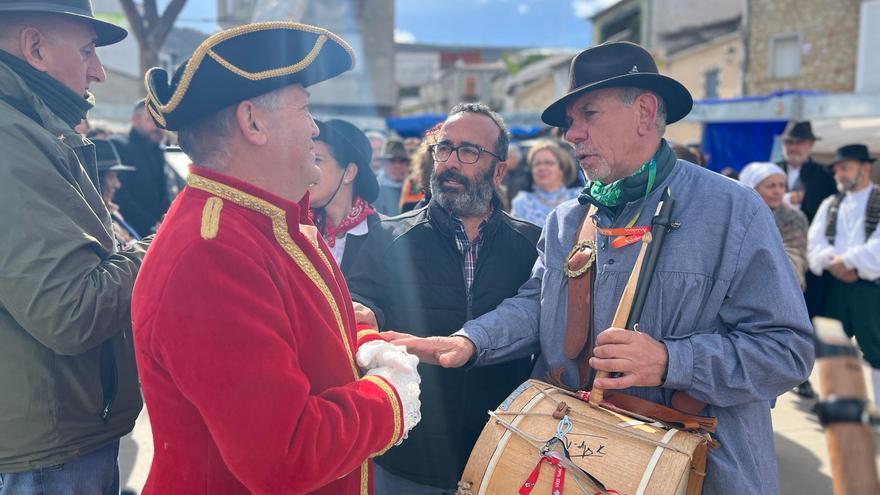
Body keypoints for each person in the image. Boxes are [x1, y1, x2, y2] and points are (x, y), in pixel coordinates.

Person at [390, 41, 814, 495]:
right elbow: (537, 306)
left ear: (645, 112)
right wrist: (470, 340)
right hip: (575, 466)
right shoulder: (568, 220)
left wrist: (673, 361)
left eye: (587, 114)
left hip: (699, 474)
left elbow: (787, 351)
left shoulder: (734, 210)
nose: (572, 134)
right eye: (570, 121)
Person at [132, 22, 421, 494]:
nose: (314, 127)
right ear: (252, 122)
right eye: (305, 108)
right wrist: (390, 395)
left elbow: (305, 335)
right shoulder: (212, 252)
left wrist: (364, 341)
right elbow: (286, 455)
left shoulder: (262, 220)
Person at [347, 102, 540, 494]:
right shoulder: (385, 236)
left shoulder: (531, 245)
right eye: (444, 148)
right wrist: (366, 312)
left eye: (469, 152)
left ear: (500, 170)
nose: (451, 162)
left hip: (500, 458)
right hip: (407, 459)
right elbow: (358, 303)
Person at [0, 2, 146, 493]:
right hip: (44, 455)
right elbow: (71, 310)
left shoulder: (24, 128)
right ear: (34, 47)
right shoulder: (10, 137)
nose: (99, 71)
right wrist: (161, 246)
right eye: (87, 51)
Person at [807, 144, 880, 409]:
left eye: (844, 168)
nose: (839, 174)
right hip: (835, 286)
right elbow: (814, 243)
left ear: (864, 168)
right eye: (836, 169)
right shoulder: (832, 203)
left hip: (869, 289)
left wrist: (848, 261)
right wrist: (834, 263)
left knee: (876, 350)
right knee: (833, 345)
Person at [309, 118, 382, 275]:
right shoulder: (298, 227)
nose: (308, 168)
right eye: (307, 158)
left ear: (349, 173)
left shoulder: (385, 237)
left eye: (317, 160)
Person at [739, 162, 809, 290]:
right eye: (771, 186)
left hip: (782, 289)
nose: (777, 191)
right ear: (754, 189)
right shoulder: (739, 216)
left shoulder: (793, 217)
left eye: (782, 185)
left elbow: (794, 259)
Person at [112, 99, 171, 235]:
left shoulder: (158, 150)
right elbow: (120, 195)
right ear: (134, 120)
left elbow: (163, 191)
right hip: (131, 233)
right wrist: (151, 224)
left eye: (161, 121)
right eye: (150, 120)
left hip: (159, 230)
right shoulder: (120, 146)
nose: (158, 126)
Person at [511, 139, 581, 227]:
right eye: (537, 164)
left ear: (562, 169)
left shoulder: (579, 197)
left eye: (548, 163)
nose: (542, 167)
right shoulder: (521, 203)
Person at [777, 121, 836, 223]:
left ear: (810, 144)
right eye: (789, 142)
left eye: (799, 143)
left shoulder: (824, 174)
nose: (793, 148)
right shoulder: (773, 170)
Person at [93, 138, 141, 249]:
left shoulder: (113, 213)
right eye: (111, 176)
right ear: (96, 180)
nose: (117, 184)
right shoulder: (96, 224)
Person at [372, 139, 409, 215]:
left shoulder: (415, 189)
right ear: (383, 164)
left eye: (402, 161)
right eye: (392, 161)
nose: (397, 166)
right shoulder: (373, 191)